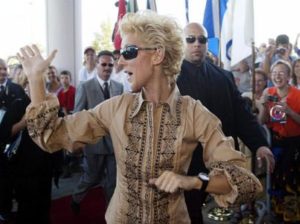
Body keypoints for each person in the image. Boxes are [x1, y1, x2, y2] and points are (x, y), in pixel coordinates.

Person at [18, 11, 262, 224]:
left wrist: (193, 181)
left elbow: (245, 182)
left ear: (157, 55)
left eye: (129, 51)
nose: (120, 61)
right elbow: (51, 136)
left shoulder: (194, 112)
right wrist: (36, 80)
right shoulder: (116, 108)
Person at [176, 22, 275, 223]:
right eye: (190, 39)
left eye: (202, 40)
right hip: (187, 164)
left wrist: (260, 144)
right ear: (182, 43)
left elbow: (242, 115)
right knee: (190, 215)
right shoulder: (169, 79)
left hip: (223, 162)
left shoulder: (223, 76)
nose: (197, 44)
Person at [0, 61, 62, 224]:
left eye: (39, 83)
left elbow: (62, 129)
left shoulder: (52, 104)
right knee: (26, 207)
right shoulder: (18, 105)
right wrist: (24, 121)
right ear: (25, 85)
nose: (35, 87)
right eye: (31, 84)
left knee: (44, 205)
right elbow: (4, 134)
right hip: (23, 167)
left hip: (46, 163)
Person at [71, 50, 123, 213]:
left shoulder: (119, 87)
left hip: (114, 144)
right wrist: (78, 140)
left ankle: (111, 212)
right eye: (104, 64)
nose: (107, 68)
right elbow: (77, 115)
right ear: (97, 65)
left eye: (110, 65)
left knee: (112, 181)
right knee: (91, 177)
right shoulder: (85, 87)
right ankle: (75, 199)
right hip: (94, 144)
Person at [258, 59, 300, 222]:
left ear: (289, 75)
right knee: (274, 176)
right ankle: (276, 210)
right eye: (275, 73)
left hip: (294, 143)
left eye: (281, 73)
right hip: (274, 142)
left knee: (291, 178)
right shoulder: (269, 93)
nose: (278, 76)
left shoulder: (297, 95)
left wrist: (289, 111)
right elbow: (262, 121)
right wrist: (262, 106)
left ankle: (291, 214)